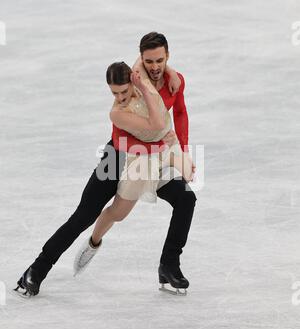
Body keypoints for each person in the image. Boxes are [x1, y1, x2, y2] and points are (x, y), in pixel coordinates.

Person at [15, 32, 197, 297]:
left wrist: (183, 150)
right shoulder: (135, 82)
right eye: (149, 62)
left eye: (160, 61)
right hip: (119, 155)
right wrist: (170, 150)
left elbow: (179, 112)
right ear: (141, 63)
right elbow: (126, 140)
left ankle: (169, 266)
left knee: (186, 200)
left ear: (167, 57)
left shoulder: (173, 80)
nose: (154, 66)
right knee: (85, 214)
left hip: (151, 158)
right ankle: (35, 270)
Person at [73, 62, 194, 296]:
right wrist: (174, 155)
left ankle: (169, 266)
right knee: (118, 213)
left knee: (187, 198)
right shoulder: (118, 112)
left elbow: (146, 56)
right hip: (139, 160)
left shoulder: (143, 80)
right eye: (114, 93)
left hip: (162, 154)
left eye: (123, 91)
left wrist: (166, 71)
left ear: (133, 79)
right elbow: (157, 124)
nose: (119, 97)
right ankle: (94, 242)